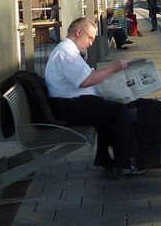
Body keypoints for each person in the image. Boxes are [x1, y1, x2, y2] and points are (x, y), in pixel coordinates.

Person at [44, 17, 145, 177]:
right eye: (90, 38)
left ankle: (103, 155)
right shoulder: (66, 53)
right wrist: (112, 68)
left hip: (71, 103)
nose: (91, 43)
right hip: (67, 107)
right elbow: (86, 81)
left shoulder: (69, 51)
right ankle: (124, 164)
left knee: (108, 105)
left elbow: (88, 77)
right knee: (119, 111)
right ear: (79, 32)